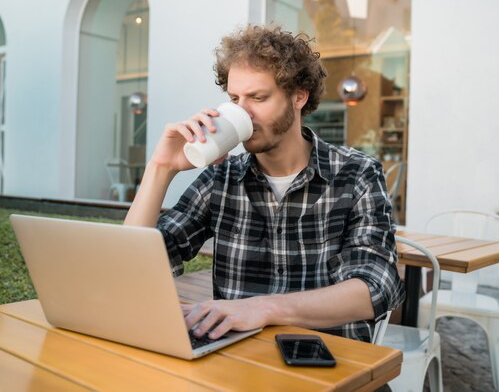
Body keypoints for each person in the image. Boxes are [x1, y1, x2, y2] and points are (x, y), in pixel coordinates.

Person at [125, 24, 404, 343]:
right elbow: (133, 269)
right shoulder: (223, 176)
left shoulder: (355, 173)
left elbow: (376, 287)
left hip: (329, 360)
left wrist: (264, 308)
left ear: (299, 96)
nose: (242, 113)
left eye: (258, 97)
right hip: (236, 360)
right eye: (234, 99)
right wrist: (161, 168)